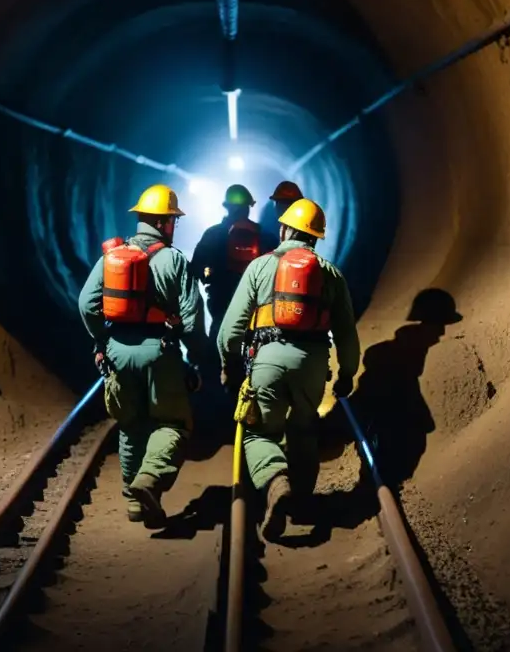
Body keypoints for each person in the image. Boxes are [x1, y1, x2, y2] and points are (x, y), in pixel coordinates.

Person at [216, 198, 359, 542]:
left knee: (259, 433)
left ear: (284, 229)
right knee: (304, 430)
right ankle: (302, 504)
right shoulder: (330, 273)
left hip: (266, 361)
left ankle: (276, 482)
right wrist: (346, 374)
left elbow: (229, 331)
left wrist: (228, 365)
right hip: (311, 365)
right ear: (316, 237)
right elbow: (346, 334)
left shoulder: (259, 266)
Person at [78, 183, 208, 528]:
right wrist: (197, 358)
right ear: (166, 223)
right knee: (173, 423)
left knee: (131, 425)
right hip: (159, 352)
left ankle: (134, 505)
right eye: (172, 222)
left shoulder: (112, 257)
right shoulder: (174, 261)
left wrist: (103, 342)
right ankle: (149, 481)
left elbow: (86, 304)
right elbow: (193, 318)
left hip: (118, 352)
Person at [191, 184, 277, 341]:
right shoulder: (266, 236)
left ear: (227, 207)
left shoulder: (213, 234)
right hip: (255, 309)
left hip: (221, 303)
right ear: (248, 208)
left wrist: (209, 276)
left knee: (217, 344)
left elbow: (196, 268)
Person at [259, 181, 303, 245]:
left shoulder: (304, 236)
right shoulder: (268, 236)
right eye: (281, 204)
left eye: (287, 204)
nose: (284, 209)